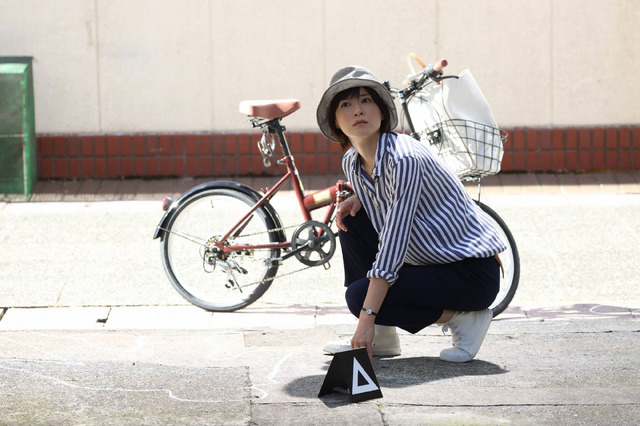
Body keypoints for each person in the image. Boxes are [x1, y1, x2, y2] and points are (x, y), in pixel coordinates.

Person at [315, 65, 506, 362]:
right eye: (345, 105)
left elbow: (394, 242)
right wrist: (360, 197)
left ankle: (465, 317)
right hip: (431, 263)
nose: (357, 110)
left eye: (366, 100)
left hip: (469, 273)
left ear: (382, 112)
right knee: (351, 219)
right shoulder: (353, 161)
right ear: (335, 123)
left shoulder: (404, 158)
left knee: (358, 298)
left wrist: (366, 317)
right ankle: (382, 336)